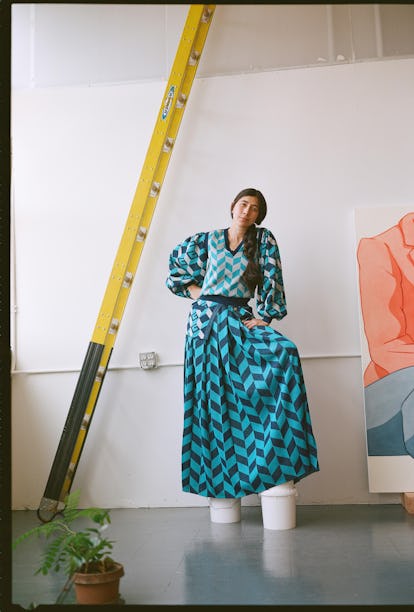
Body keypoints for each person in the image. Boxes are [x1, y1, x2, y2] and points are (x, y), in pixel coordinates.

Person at [166, 187, 319, 509]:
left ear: (259, 215)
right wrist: (200, 297)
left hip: (238, 318)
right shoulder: (205, 241)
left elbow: (273, 279)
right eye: (243, 204)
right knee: (210, 398)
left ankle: (273, 458)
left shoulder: (263, 241)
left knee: (284, 353)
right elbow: (176, 271)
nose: (247, 211)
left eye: (254, 208)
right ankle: (217, 477)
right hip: (205, 325)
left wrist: (265, 316)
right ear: (233, 206)